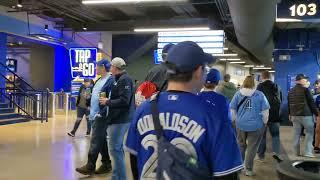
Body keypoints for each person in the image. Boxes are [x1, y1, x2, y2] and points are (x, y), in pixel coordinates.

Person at [126, 41, 243, 180]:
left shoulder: (144, 109)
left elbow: (134, 161)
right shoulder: (213, 116)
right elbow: (227, 175)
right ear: (199, 72)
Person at [76, 59, 114, 175]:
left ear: (103, 67)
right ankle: (106, 164)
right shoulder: (98, 80)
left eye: (97, 67)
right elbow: (94, 95)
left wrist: (101, 113)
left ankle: (90, 165)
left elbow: (108, 98)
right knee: (101, 140)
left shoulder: (110, 80)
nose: (96, 69)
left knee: (95, 141)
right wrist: (88, 102)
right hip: (94, 114)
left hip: (101, 116)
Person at [98, 57, 134, 180]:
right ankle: (116, 176)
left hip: (121, 119)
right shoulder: (117, 79)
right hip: (116, 118)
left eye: (111, 67)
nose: (110, 69)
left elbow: (125, 100)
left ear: (115, 67)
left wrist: (108, 102)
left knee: (115, 149)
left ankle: (120, 177)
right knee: (117, 149)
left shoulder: (125, 80)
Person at [230, 76, 270, 176]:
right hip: (256, 125)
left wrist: (234, 121)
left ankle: (238, 168)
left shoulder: (238, 94)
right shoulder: (260, 94)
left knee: (240, 146)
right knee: (252, 148)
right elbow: (265, 111)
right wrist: (265, 122)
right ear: (254, 83)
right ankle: (248, 170)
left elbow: (232, 110)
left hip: (240, 124)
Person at [288, 74, 319, 158]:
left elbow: (289, 103)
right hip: (306, 115)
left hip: (294, 116)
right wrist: (317, 114)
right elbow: (311, 103)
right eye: (305, 79)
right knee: (309, 133)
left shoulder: (291, 91)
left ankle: (295, 152)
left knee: (296, 134)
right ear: (300, 80)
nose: (306, 81)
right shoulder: (305, 90)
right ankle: (308, 152)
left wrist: (290, 113)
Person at [256, 71, 282, 161]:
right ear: (270, 77)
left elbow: (257, 101)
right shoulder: (277, 86)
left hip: (262, 116)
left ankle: (261, 156)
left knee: (262, 137)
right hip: (275, 115)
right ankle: (276, 153)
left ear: (262, 77)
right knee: (275, 135)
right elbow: (280, 100)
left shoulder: (259, 87)